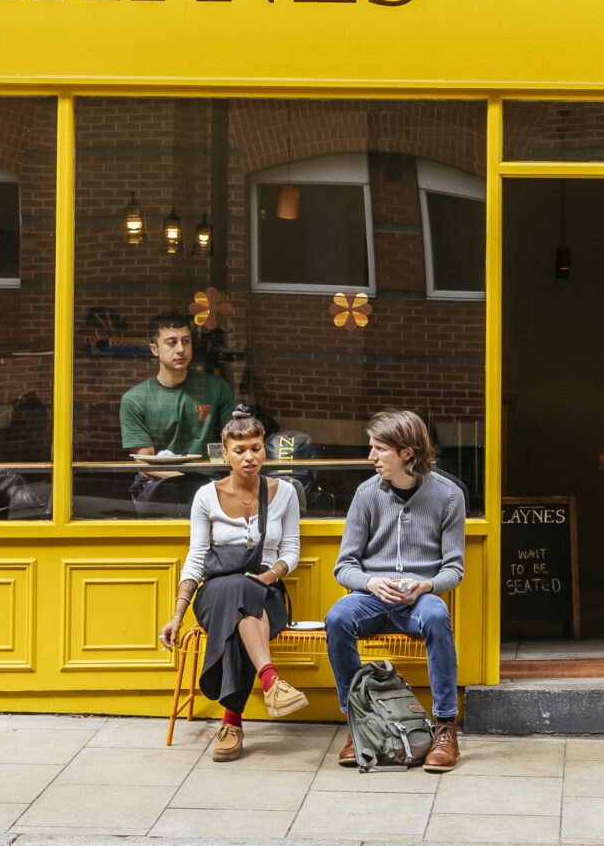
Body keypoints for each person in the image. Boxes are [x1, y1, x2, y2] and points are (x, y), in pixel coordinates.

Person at [156, 409, 308, 762]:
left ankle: (231, 723)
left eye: (255, 448)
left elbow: (291, 551)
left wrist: (268, 577)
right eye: (239, 450)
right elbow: (196, 558)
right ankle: (271, 680)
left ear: (264, 451)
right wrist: (178, 614)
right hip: (214, 592)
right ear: (224, 454)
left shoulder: (284, 493)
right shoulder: (206, 496)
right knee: (234, 592)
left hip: (266, 592)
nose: (248, 456)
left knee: (241, 603)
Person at [327, 409, 468, 772]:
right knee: (337, 617)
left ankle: (445, 727)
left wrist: (429, 585)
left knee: (436, 614)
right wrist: (371, 582)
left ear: (407, 452)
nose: (370, 456)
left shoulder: (449, 496)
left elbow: (454, 569)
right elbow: (344, 567)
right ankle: (359, 724)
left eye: (379, 449)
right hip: (372, 598)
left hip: (417, 600)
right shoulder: (366, 494)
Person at [120, 314, 237, 514]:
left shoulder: (216, 387)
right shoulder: (135, 398)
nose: (181, 349)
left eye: (186, 341)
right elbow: (144, 464)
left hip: (210, 483)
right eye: (171, 343)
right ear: (154, 349)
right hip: (160, 487)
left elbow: (237, 443)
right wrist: (189, 483)